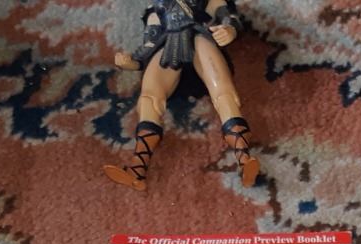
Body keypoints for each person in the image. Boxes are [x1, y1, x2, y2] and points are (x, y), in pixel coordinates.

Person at [104, 1, 260, 190]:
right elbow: (148, 46)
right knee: (149, 97)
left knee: (223, 90)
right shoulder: (157, 10)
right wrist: (131, 63)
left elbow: (231, 19)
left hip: (201, 40)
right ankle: (138, 168)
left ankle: (244, 158)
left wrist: (230, 30)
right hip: (169, 49)